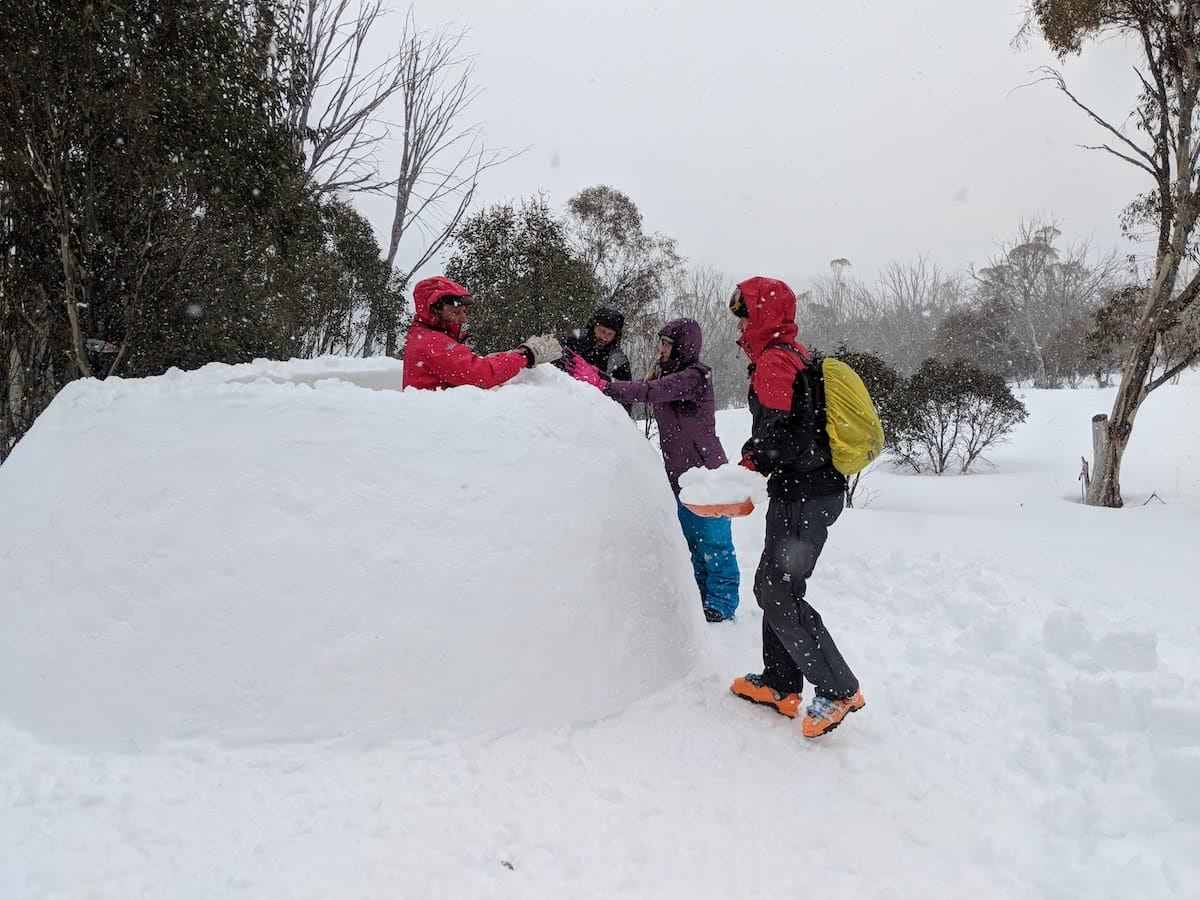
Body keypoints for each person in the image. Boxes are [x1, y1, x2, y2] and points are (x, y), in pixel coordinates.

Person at [726, 275, 864, 738]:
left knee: (777, 591)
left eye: (744, 316)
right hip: (807, 489)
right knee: (774, 585)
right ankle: (781, 684)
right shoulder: (793, 352)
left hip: (805, 493)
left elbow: (780, 438)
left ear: (761, 316)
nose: (740, 326)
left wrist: (743, 468)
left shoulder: (775, 361)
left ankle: (839, 689)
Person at [563, 318, 739, 622]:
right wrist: (598, 375)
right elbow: (647, 387)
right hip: (682, 476)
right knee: (693, 540)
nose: (661, 349)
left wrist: (603, 385)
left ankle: (723, 601)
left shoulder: (695, 377)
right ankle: (702, 595)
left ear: (683, 347)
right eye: (661, 343)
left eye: (667, 344)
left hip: (708, 474)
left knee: (715, 542)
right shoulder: (664, 373)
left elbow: (650, 392)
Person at [402, 276, 562, 390]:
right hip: (438, 421)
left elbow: (459, 370)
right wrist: (526, 355)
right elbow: (479, 375)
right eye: (456, 312)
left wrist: (502, 358)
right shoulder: (431, 341)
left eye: (465, 311)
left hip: (436, 416)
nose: (464, 318)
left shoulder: (425, 335)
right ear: (435, 310)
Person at [560, 306, 633, 413]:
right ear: (593, 327)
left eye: (610, 334)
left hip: (598, 412)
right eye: (602, 331)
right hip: (564, 402)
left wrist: (601, 379)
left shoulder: (619, 360)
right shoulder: (573, 343)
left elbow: (626, 395)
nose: (604, 337)